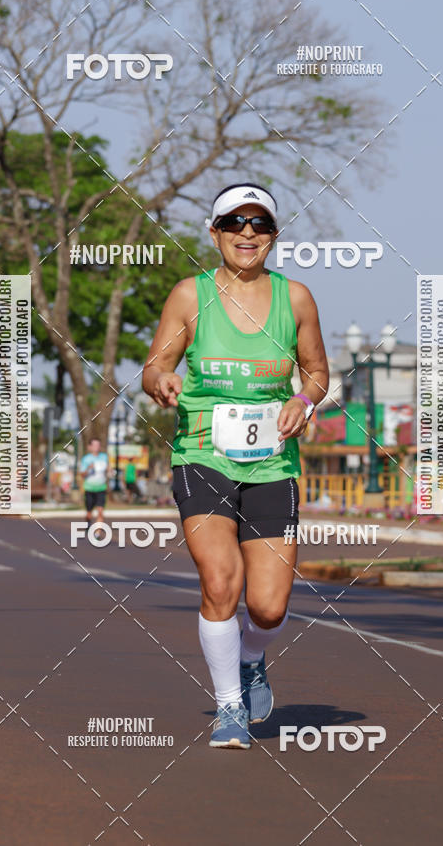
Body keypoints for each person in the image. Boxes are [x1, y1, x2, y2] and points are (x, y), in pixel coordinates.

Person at [142, 182, 329, 749]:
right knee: (220, 581)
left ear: (273, 235)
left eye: (260, 225)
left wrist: (301, 401)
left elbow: (317, 373)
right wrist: (161, 381)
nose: (247, 233)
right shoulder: (187, 296)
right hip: (203, 455)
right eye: (234, 223)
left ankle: (252, 659)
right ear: (214, 231)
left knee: (268, 609)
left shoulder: (294, 298)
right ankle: (229, 708)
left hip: (273, 466)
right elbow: (154, 366)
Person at [79, 438, 109, 535]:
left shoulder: (104, 457)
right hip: (89, 488)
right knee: (89, 513)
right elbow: (82, 474)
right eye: (94, 445)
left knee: (100, 511)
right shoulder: (86, 459)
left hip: (101, 488)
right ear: (90, 447)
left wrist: (110, 470)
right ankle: (88, 522)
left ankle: (97, 533)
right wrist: (88, 468)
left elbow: (108, 469)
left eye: (98, 445)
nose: (96, 447)